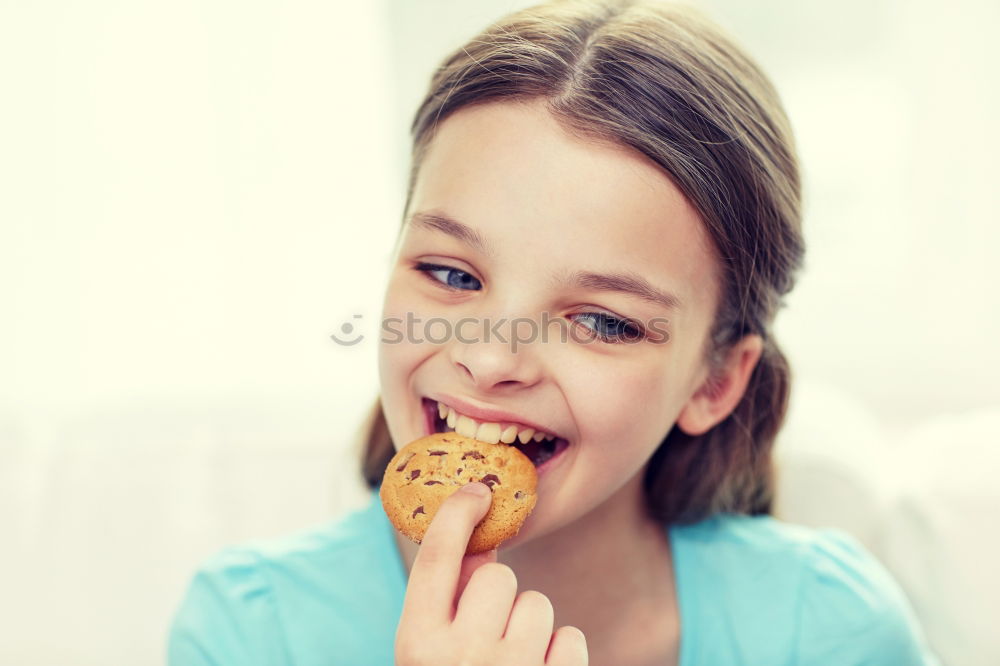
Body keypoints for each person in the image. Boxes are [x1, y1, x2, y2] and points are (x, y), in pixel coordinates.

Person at [168, 1, 940, 664]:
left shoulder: (829, 631)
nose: (490, 358)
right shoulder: (252, 630)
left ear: (714, 381)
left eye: (602, 321)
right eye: (452, 274)